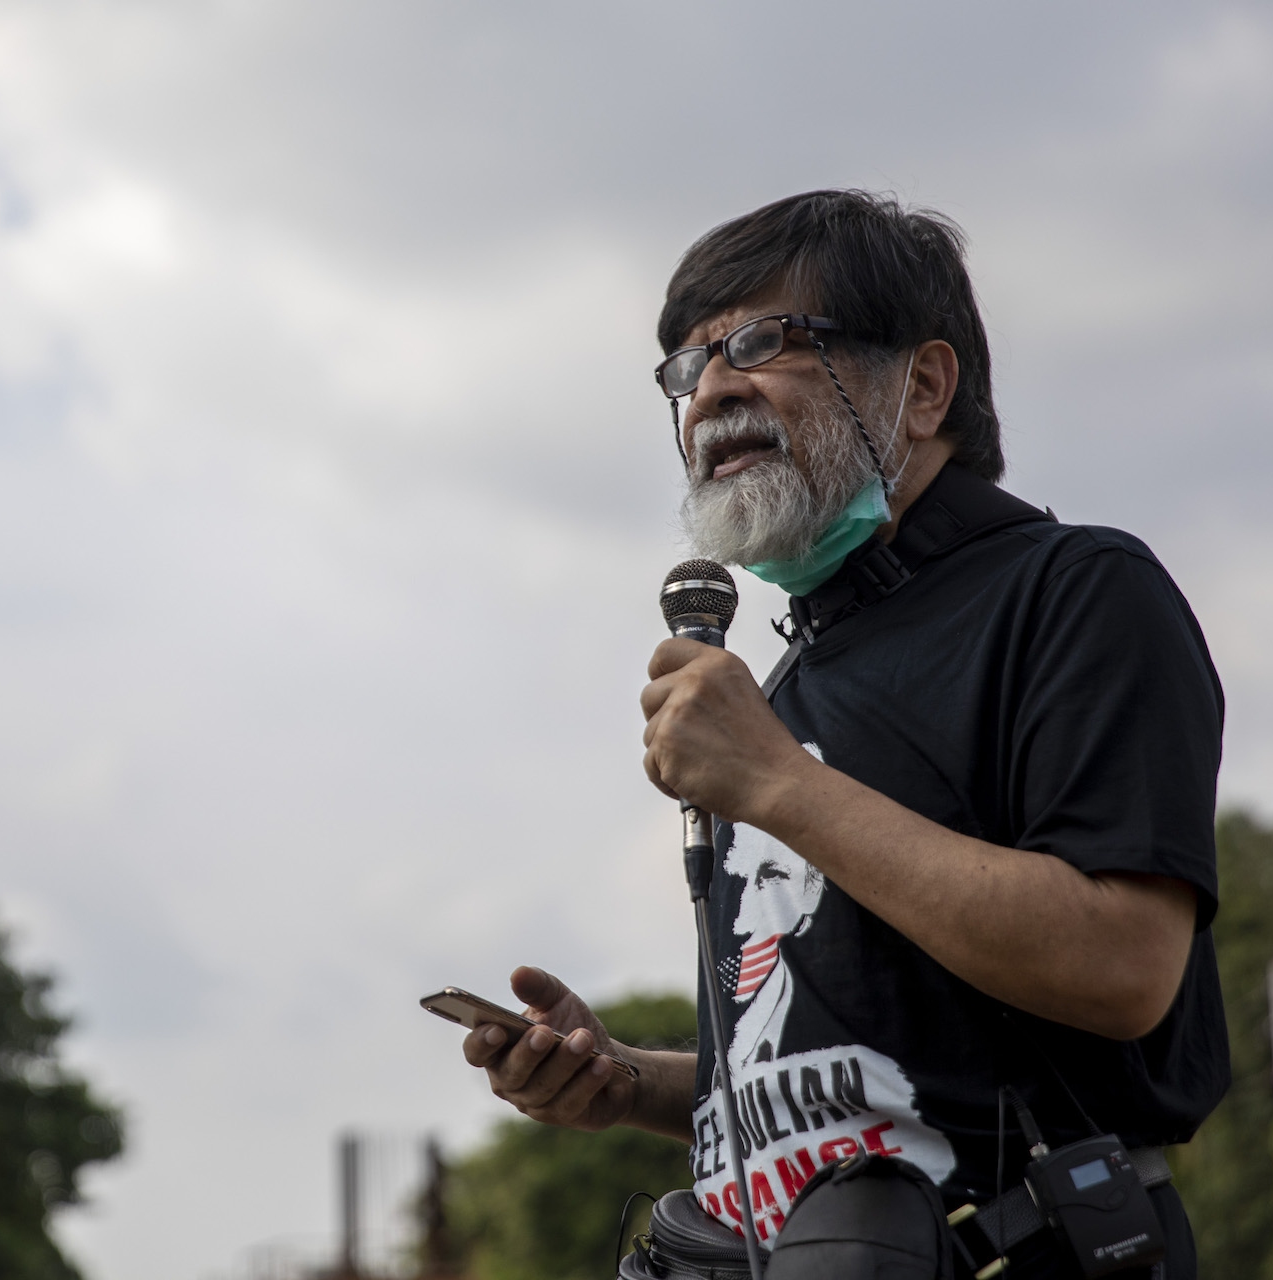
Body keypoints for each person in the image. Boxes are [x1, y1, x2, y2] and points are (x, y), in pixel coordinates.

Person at [459, 190, 1228, 1277]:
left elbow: (1122, 964)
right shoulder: (790, 678)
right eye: (686, 367)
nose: (711, 388)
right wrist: (628, 1082)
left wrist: (780, 783)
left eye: (762, 343)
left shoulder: (1074, 590)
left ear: (921, 386)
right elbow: (864, 1080)